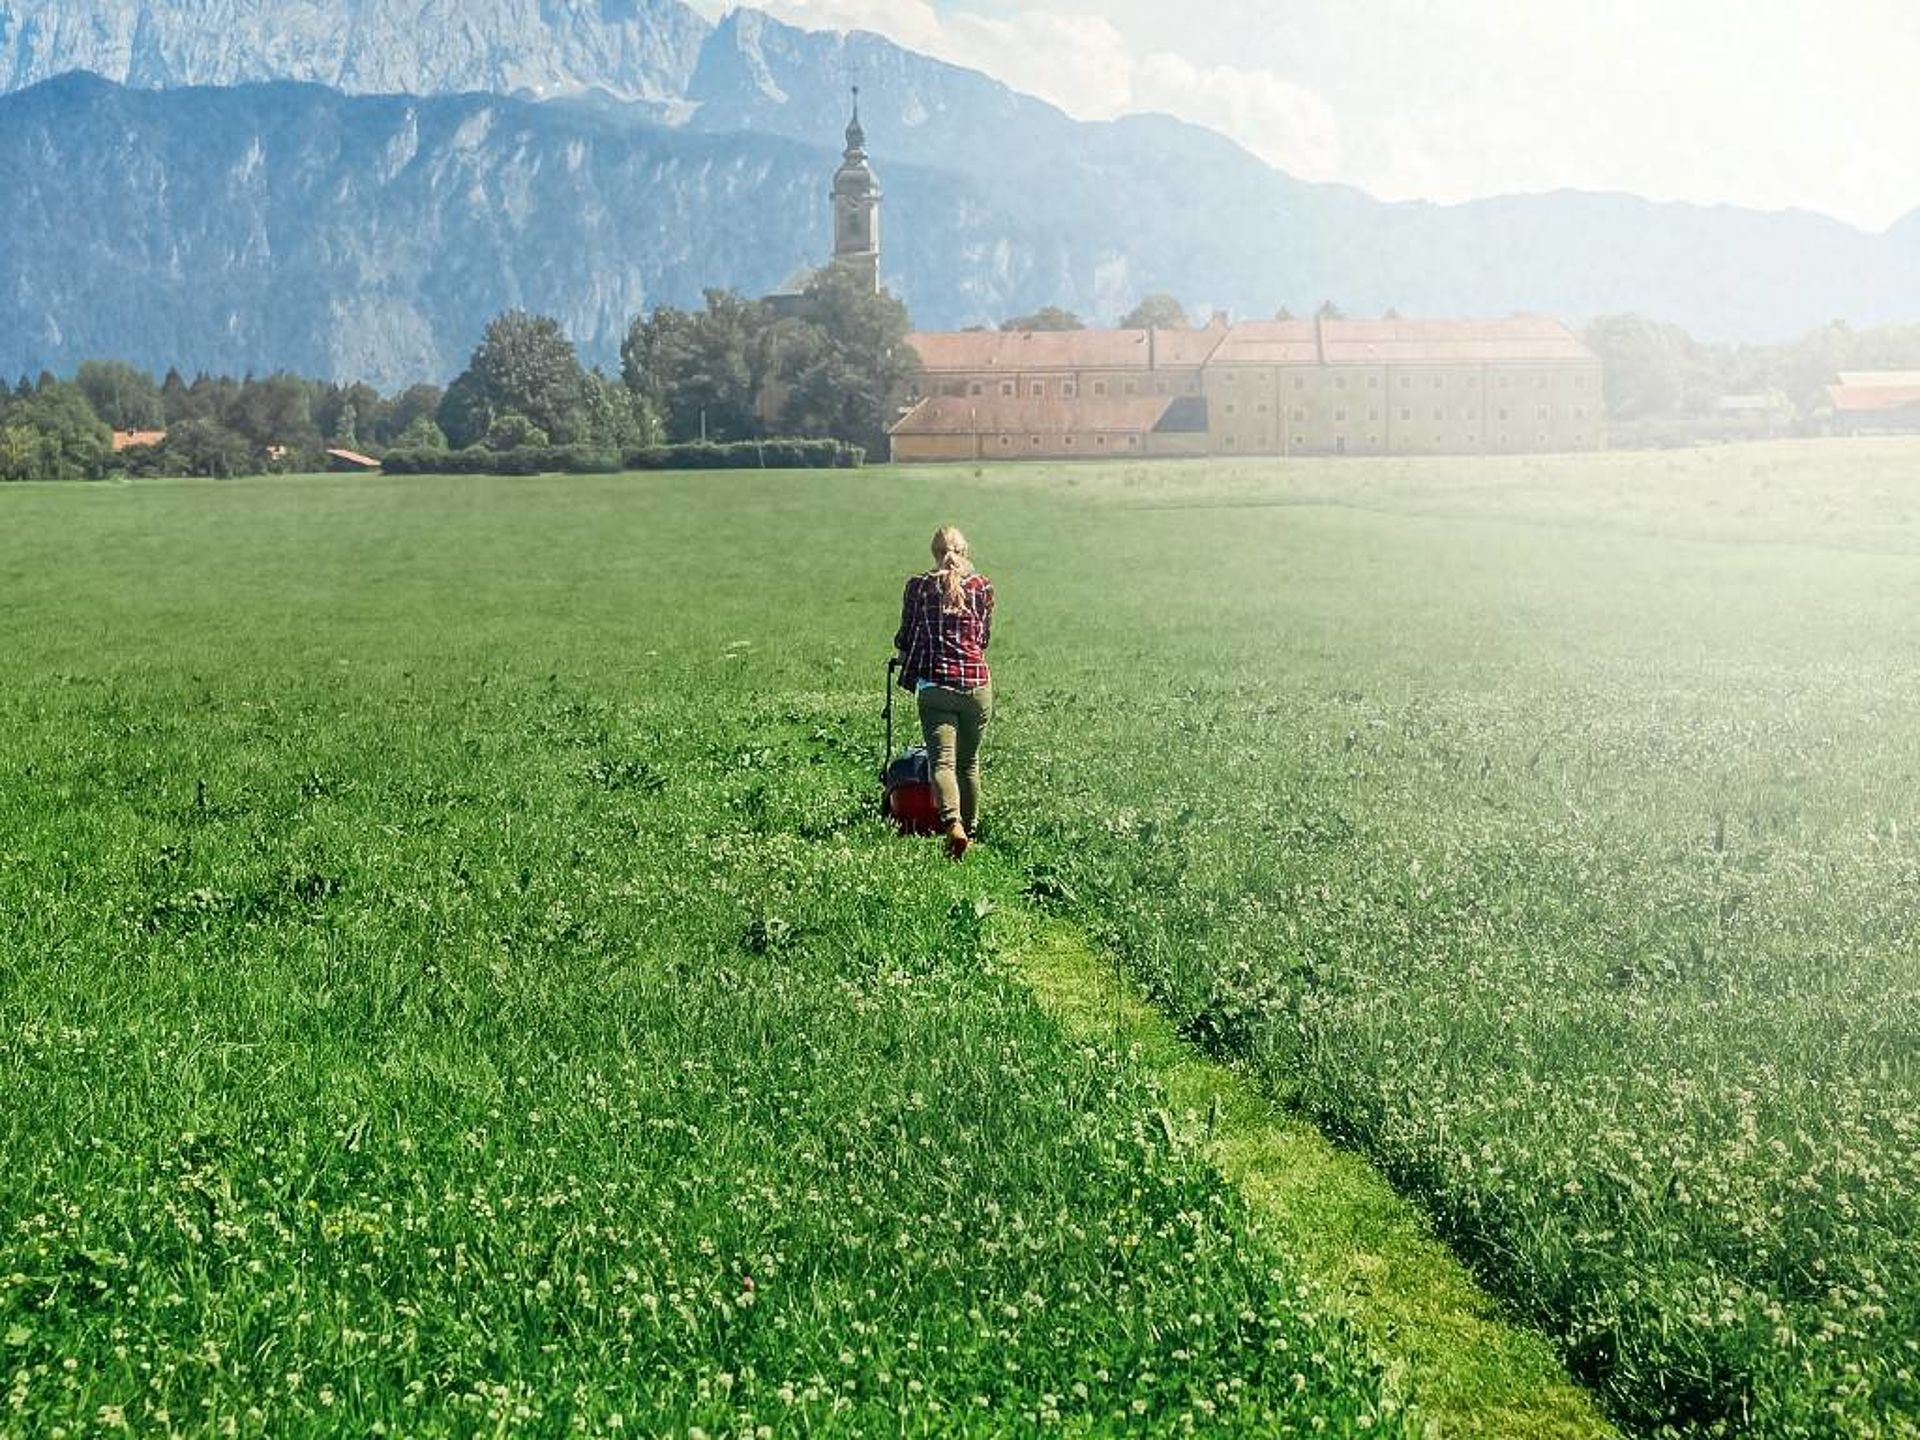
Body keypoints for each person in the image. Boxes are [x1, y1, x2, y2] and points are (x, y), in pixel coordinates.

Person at [894, 525, 995, 859]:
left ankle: (953, 825)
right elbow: (982, 638)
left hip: (937, 686)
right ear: (965, 551)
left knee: (943, 763)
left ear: (934, 552)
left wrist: (906, 659)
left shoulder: (919, 586)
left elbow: (906, 636)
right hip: (977, 686)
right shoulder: (983, 587)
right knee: (969, 763)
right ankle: (973, 828)